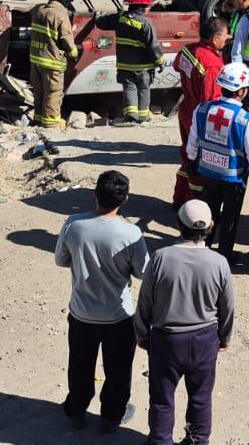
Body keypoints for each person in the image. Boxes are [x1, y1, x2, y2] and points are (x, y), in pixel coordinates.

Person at [55, 170, 149, 434]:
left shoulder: (73, 224)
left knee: (80, 366)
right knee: (118, 371)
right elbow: (144, 272)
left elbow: (61, 260)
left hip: (82, 313)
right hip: (118, 316)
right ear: (126, 199)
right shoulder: (131, 233)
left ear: (94, 195)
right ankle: (111, 416)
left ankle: (76, 410)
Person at [135, 200, 234, 445]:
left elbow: (145, 300)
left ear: (178, 225)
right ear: (211, 226)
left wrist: (141, 333)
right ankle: (197, 440)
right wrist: (225, 336)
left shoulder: (160, 257)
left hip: (166, 339)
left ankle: (160, 440)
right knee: (201, 397)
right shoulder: (219, 262)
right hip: (204, 339)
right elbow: (228, 307)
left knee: (162, 397)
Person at [185, 62, 249, 262]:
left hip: (208, 172)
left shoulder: (202, 109)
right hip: (233, 178)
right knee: (230, 217)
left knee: (209, 211)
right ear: (242, 92)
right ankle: (225, 256)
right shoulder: (244, 119)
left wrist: (192, 158)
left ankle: (203, 248)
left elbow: (192, 139)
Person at [172, 17, 230, 208]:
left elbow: (176, 65)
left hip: (186, 110)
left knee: (187, 156)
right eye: (224, 35)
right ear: (214, 39)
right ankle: (193, 208)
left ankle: (179, 198)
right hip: (199, 117)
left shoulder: (189, 50)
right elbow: (210, 100)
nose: (227, 38)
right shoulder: (212, 65)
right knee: (199, 164)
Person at [29, 0, 79, 129]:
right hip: (53, 62)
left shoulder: (38, 10)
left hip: (36, 59)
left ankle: (38, 119)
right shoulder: (60, 15)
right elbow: (66, 39)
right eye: (68, 1)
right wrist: (73, 54)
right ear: (64, 0)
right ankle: (51, 124)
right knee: (53, 93)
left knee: (38, 92)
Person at [114, 0, 162, 124]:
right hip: (143, 67)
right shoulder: (146, 24)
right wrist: (159, 62)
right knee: (143, 88)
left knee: (129, 88)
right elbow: (153, 46)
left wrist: (98, 15)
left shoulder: (120, 19)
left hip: (125, 65)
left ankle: (131, 117)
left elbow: (102, 22)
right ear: (144, 7)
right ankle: (143, 116)